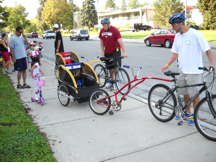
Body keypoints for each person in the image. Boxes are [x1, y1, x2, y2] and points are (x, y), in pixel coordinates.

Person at [161, 12, 215, 126]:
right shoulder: (177, 36)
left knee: (194, 94)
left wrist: (211, 63)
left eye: (173, 25)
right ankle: (187, 112)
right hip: (182, 70)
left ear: (180, 24)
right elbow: (175, 53)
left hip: (194, 71)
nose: (172, 28)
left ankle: (195, 116)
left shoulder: (195, 34)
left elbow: (207, 49)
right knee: (185, 93)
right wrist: (167, 64)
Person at [99, 17, 128, 88]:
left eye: (105, 26)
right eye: (103, 26)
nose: (104, 27)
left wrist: (124, 52)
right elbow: (101, 41)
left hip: (115, 51)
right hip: (107, 52)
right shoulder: (102, 31)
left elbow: (120, 41)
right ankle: (112, 82)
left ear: (109, 24)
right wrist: (102, 52)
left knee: (116, 67)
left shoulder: (115, 30)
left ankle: (116, 81)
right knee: (110, 68)